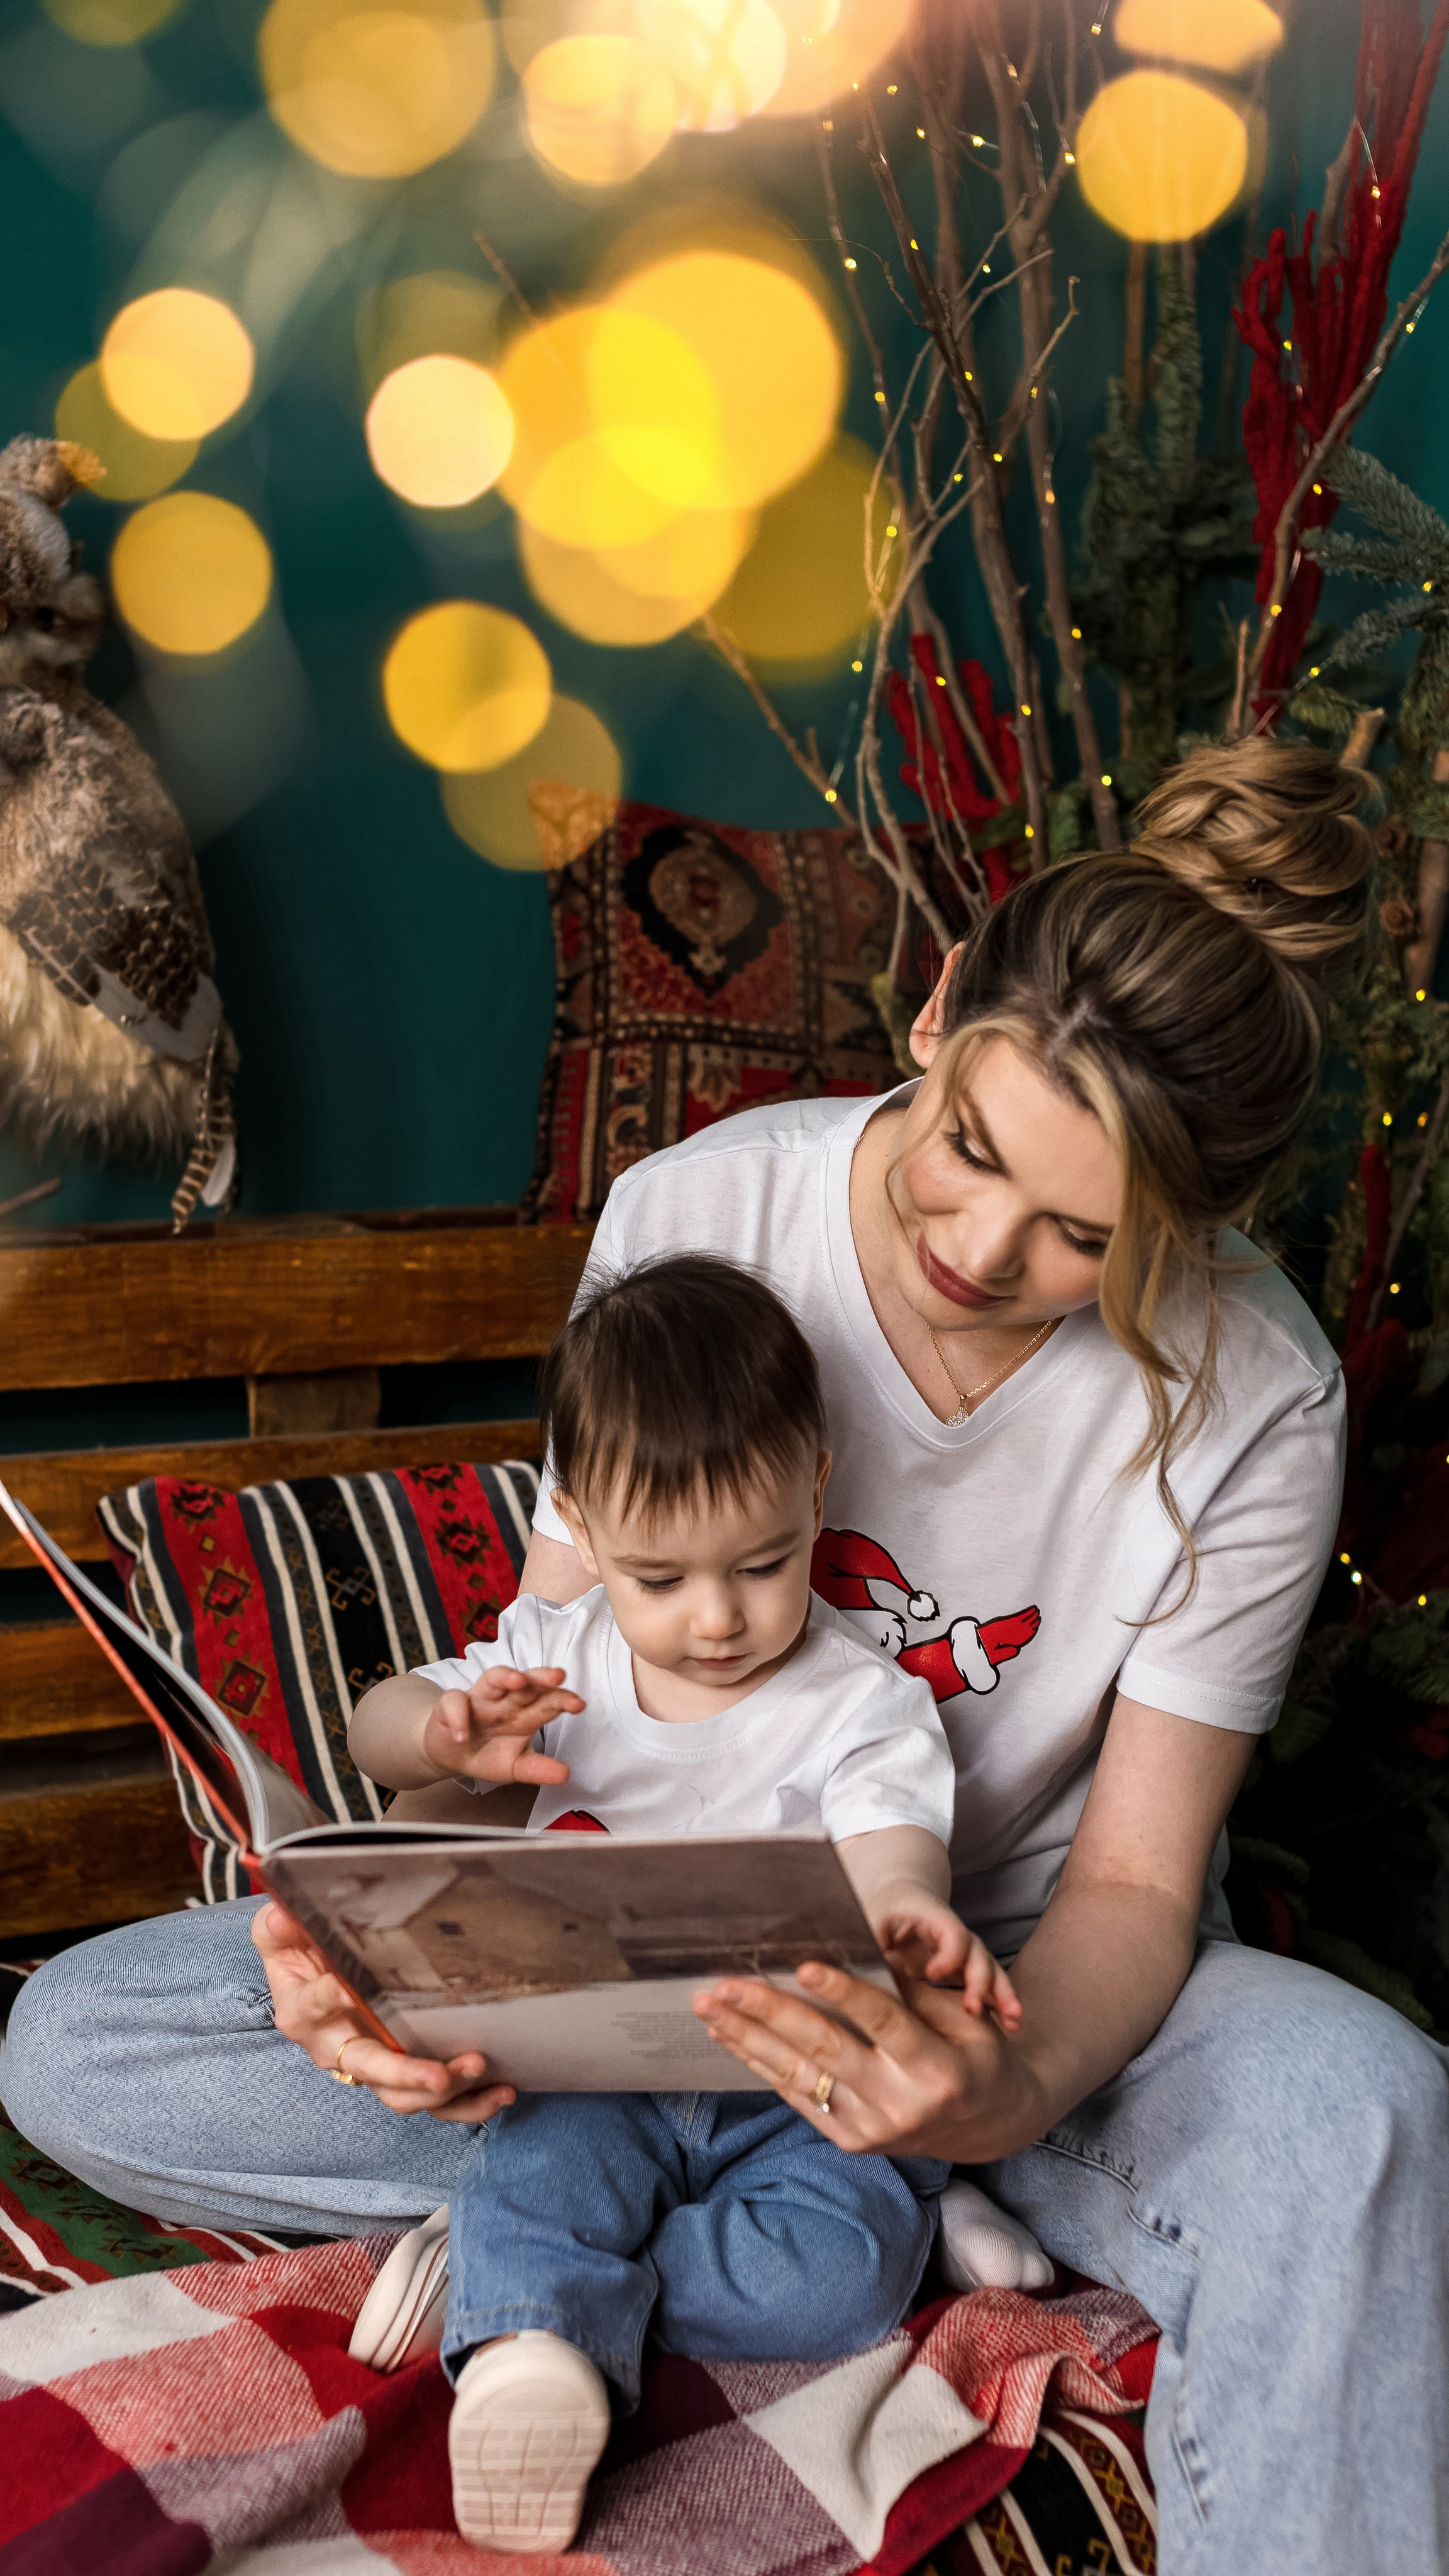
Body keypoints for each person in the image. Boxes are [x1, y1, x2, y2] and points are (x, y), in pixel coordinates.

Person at [4, 739, 1447, 2573]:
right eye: (971, 1158)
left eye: (1086, 1240)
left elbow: (1141, 1884)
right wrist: (424, 1955)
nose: (982, 1252)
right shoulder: (706, 1211)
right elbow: (561, 1684)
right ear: (937, 1013)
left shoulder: (1260, 1391)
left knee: (1374, 2109)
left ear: (1198, 1229)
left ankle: (598, 2249)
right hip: (648, 1953)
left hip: (1008, 1973)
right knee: (88, 2033)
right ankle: (785, 2236)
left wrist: (999, 2082)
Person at [347, 1254, 1016, 2553]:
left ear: (815, 1489)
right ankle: (533, 2334)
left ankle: (526, 2292)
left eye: (763, 1564)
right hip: (592, 2076)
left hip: (793, 2093)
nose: (716, 1617)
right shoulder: (557, 1655)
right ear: (585, 1527)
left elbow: (891, 1846)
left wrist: (904, 1917)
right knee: (545, 2165)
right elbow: (379, 1733)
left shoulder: (861, 1698)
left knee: (840, 2280)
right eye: (661, 1578)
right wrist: (440, 1730)